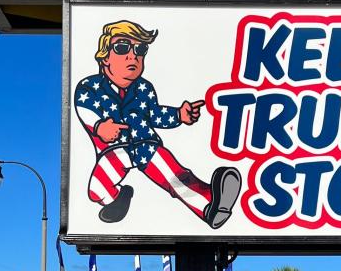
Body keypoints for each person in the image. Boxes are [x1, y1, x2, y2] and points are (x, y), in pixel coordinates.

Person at [73, 19, 241, 228]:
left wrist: (179, 115)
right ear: (105, 56)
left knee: (174, 176)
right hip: (114, 150)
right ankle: (119, 198)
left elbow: (155, 113)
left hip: (145, 144)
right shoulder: (90, 86)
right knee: (96, 190)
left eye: (140, 49)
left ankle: (211, 206)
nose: (133, 55)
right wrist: (99, 127)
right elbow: (85, 109)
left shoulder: (143, 88)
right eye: (122, 47)